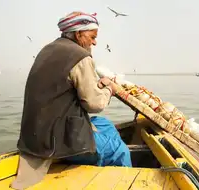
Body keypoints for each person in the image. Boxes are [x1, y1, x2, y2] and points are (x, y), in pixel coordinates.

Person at [11, 11, 131, 190]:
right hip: (57, 141)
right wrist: (110, 89)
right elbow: (95, 104)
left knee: (105, 125)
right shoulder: (80, 57)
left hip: (34, 135)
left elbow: (67, 86)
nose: (95, 42)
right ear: (78, 34)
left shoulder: (48, 49)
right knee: (120, 150)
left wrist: (98, 85)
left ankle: (98, 162)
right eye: (92, 36)